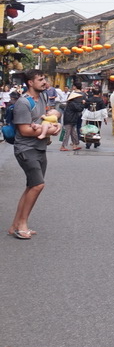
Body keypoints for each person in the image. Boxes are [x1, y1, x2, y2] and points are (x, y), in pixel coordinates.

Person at [7, 70, 60, 240]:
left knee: (32, 186)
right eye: (40, 79)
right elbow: (24, 130)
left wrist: (53, 120)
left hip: (40, 147)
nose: (44, 82)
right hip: (25, 149)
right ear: (30, 82)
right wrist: (51, 130)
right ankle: (22, 225)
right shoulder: (23, 103)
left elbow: (48, 115)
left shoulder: (43, 97)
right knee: (38, 185)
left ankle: (15, 224)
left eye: (44, 78)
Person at [60, 82, 86, 151]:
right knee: (67, 133)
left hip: (71, 118)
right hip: (70, 119)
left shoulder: (71, 103)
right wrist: (83, 104)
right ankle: (63, 146)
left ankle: (75, 144)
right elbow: (79, 108)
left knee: (73, 132)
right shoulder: (72, 104)